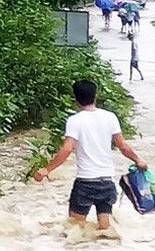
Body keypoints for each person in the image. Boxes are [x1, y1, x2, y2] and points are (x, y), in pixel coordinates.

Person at [33, 80, 147, 230]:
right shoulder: (110, 117)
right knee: (105, 227)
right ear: (95, 96)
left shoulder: (75, 121)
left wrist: (47, 169)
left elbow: (67, 149)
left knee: (75, 228)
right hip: (107, 181)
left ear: (76, 99)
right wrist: (138, 160)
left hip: (85, 182)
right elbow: (123, 146)